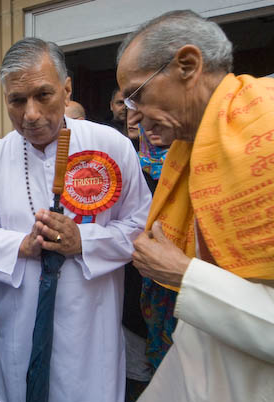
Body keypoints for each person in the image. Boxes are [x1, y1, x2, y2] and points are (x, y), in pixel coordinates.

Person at [0, 37, 152, 401]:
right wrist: (21, 245)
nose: (30, 114)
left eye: (43, 95)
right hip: (20, 324)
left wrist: (85, 242)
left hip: (91, 330)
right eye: (17, 100)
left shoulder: (111, 145)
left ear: (66, 89)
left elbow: (140, 227)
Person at [117, 10, 274, 401]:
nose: (131, 114)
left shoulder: (265, 138)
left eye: (137, 94)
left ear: (187, 65)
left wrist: (185, 275)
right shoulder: (189, 151)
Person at [122, 124, 176, 401]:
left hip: (186, 293)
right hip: (137, 291)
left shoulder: (198, 167)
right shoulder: (128, 165)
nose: (148, 122)